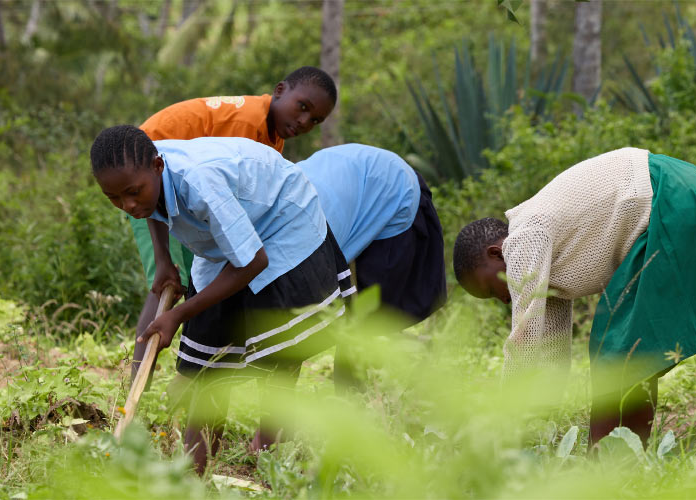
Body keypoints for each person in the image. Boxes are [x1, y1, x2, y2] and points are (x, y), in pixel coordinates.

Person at [91, 126, 351, 474]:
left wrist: (179, 314)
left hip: (282, 219)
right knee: (204, 360)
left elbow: (253, 262)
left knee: (277, 347)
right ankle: (192, 474)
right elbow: (149, 208)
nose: (128, 205)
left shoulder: (199, 182)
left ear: (157, 166)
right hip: (229, 234)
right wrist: (165, 261)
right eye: (115, 198)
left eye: (132, 193)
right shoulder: (141, 174)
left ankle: (268, 454)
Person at [452, 148, 696, 447]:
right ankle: (621, 455)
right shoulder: (543, 264)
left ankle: (603, 459)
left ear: (496, 253)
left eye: (490, 290)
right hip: (680, 193)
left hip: (669, 199)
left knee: (618, 351)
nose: (501, 300)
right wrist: (538, 420)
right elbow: (551, 353)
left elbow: (523, 340)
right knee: (626, 349)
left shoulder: (524, 238)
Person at [130, 66, 337, 381]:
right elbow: (218, 190)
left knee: (197, 279)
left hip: (174, 187)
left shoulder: (270, 133)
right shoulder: (246, 123)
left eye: (316, 120)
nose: (304, 122)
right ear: (280, 91)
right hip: (144, 181)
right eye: (303, 107)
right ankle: (136, 384)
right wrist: (163, 258)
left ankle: (194, 369)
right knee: (170, 283)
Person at [297, 144, 447, 388]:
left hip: (391, 190)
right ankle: (355, 385)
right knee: (349, 309)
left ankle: (358, 389)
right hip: (353, 186)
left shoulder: (308, 237)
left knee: (364, 312)